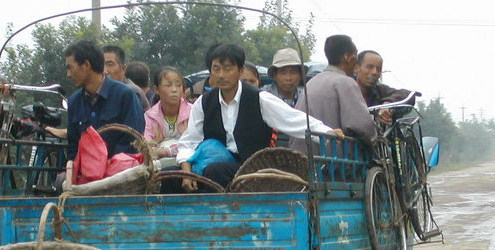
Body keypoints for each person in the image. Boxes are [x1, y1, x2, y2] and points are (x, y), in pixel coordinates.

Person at [176, 43, 344, 190]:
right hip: (211, 163)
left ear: (240, 71)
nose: (221, 75)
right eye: (216, 69)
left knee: (215, 171)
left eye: (228, 69)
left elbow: (293, 119)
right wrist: (186, 173)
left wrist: (327, 132)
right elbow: (189, 141)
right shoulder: (203, 103)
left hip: (251, 169)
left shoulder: (258, 98)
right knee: (170, 177)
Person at [289, 35, 377, 154]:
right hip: (331, 162)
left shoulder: (312, 82)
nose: (356, 60)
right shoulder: (345, 82)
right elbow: (362, 126)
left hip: (302, 156)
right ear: (347, 57)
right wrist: (374, 139)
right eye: (355, 55)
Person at [65, 39, 144, 161]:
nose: (68, 74)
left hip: (121, 173)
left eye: (71, 68)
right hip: (85, 175)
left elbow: (132, 142)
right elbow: (73, 147)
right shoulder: (74, 102)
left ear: (86, 65)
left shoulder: (125, 95)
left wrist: (108, 168)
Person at [144, 66, 192, 158]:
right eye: (168, 85)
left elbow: (195, 143)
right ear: (156, 89)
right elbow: (146, 148)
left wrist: (165, 151)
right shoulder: (149, 117)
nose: (174, 90)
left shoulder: (193, 112)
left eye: (178, 85)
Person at [103, 45, 151, 111]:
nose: (104, 71)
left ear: (123, 68)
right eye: (101, 64)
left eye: (110, 65)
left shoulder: (131, 92)